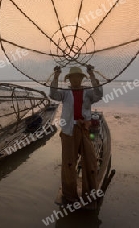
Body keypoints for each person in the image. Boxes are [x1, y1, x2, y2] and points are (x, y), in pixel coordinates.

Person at [49, 65, 103, 208]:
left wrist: (92, 75)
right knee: (68, 163)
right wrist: (56, 76)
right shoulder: (65, 92)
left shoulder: (87, 92)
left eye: (78, 77)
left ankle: (89, 194)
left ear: (81, 78)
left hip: (84, 128)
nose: (76, 80)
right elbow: (53, 95)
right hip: (68, 131)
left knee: (90, 161)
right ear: (70, 79)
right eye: (73, 77)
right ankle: (69, 195)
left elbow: (99, 94)